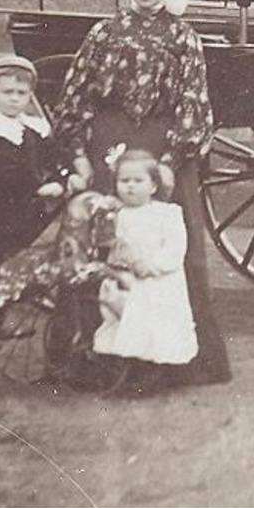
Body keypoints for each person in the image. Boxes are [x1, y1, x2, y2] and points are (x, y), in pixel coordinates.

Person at [50, 0, 231, 386]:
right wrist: (79, 156)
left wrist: (171, 161)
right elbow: (73, 99)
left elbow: (194, 105)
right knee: (96, 246)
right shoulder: (102, 35)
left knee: (173, 247)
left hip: (164, 146)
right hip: (108, 147)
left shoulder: (183, 38)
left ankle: (174, 361)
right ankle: (87, 358)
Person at [0, 54, 84, 300]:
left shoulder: (31, 128)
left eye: (21, 93)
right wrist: (40, 187)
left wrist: (67, 175)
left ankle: (21, 294)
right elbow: (9, 169)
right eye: (8, 92)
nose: (15, 98)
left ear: (30, 96)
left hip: (23, 209)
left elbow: (54, 155)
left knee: (23, 255)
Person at [95, 148, 196, 394]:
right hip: (127, 277)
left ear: (153, 186)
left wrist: (152, 266)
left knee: (154, 325)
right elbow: (109, 244)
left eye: (138, 181)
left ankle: (153, 373)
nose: (130, 187)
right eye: (124, 181)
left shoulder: (167, 214)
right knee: (125, 320)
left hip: (158, 280)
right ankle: (128, 366)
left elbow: (175, 248)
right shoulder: (116, 215)